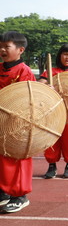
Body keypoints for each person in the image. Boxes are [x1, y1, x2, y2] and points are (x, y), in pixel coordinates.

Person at [0, 31, 36, 213]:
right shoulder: (0, 69)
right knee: (2, 157)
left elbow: (27, 99)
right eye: (1, 46)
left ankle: (20, 195)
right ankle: (4, 191)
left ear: (20, 50)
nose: (2, 49)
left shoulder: (24, 71)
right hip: (1, 122)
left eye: (7, 46)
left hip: (18, 123)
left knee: (18, 157)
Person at [39, 43, 68, 178]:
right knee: (51, 138)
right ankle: (51, 164)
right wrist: (48, 85)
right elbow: (40, 83)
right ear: (60, 56)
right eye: (65, 54)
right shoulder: (50, 71)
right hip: (51, 111)